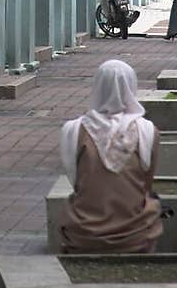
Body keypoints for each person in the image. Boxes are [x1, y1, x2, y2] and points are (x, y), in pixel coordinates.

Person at [58, 58, 162, 254]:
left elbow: (76, 181)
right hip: (136, 234)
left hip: (83, 233)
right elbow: (147, 183)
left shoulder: (72, 130)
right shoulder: (147, 131)